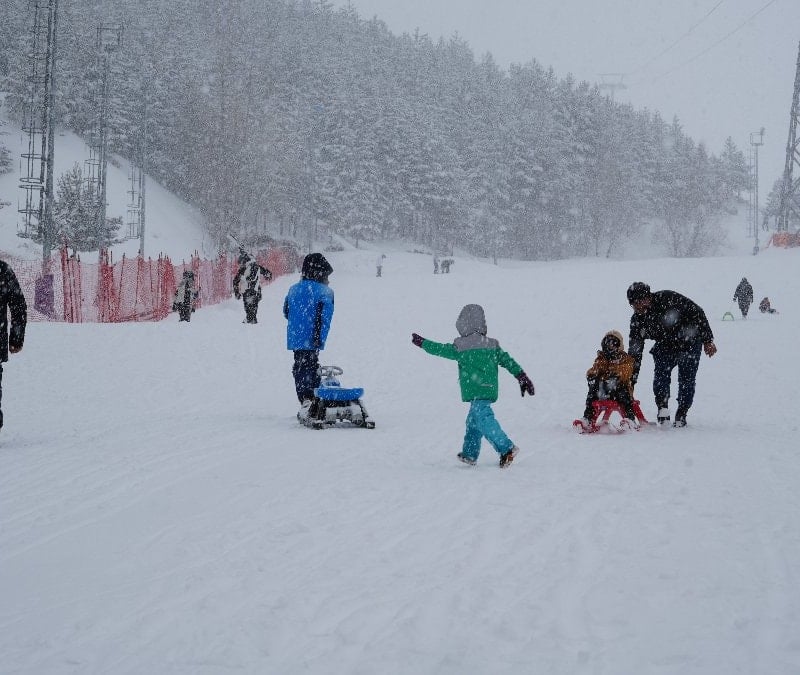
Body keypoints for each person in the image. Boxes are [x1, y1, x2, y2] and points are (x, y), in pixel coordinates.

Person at [411, 304, 535, 468]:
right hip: (487, 388)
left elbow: (439, 349)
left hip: (477, 390)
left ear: (463, 324)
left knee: (483, 419)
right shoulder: (491, 345)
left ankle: (507, 448)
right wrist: (521, 376)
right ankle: (470, 454)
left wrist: (423, 343)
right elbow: (507, 361)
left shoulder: (460, 347)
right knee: (473, 422)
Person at [626, 282, 717, 427]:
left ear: (648, 297)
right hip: (665, 345)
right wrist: (630, 382)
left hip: (690, 341)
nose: (637, 307)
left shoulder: (668, 298)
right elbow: (634, 354)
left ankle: (682, 413)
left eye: (639, 302)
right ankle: (663, 410)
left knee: (686, 380)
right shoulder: (638, 321)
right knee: (660, 377)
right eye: (633, 304)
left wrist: (707, 340)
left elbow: (697, 312)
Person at [283, 253, 334, 417]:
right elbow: (325, 317)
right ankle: (310, 397)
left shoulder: (293, 289)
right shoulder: (325, 292)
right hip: (313, 336)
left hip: (296, 336)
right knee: (310, 365)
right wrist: (319, 336)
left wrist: (299, 322)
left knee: (301, 365)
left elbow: (286, 311)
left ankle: (307, 397)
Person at [578, 330, 638, 431]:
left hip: (619, 390)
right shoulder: (602, 358)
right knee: (592, 393)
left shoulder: (625, 359)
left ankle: (630, 419)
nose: (610, 346)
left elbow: (625, 373)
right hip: (604, 391)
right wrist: (592, 376)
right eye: (608, 344)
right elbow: (595, 369)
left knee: (624, 394)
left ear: (619, 345)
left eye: (614, 343)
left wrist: (614, 375)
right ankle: (588, 419)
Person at [0, 259, 27, 431]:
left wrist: (16, 338)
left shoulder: (3, 270)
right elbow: (18, 305)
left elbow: (18, 305)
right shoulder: (3, 270)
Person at [233, 250, 273, 324]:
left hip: (247, 292)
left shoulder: (243, 270)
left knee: (248, 309)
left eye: (241, 263)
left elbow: (235, 281)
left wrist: (237, 293)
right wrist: (268, 275)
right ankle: (252, 321)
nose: (241, 265)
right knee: (253, 309)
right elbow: (267, 274)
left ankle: (249, 322)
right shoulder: (257, 267)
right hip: (256, 291)